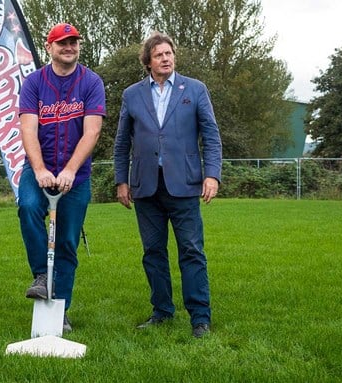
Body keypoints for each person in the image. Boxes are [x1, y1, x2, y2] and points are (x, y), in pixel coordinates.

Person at [113, 31, 222, 338]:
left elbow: (211, 136)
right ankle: (162, 311)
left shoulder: (196, 89)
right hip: (145, 187)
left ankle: (200, 317)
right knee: (153, 252)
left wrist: (211, 174)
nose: (166, 58)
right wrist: (122, 180)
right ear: (148, 61)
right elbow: (122, 143)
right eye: (159, 54)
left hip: (185, 185)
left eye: (169, 53)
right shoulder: (131, 95)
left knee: (191, 250)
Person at [18, 23, 106, 333]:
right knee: (28, 206)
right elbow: (28, 129)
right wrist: (40, 170)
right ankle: (42, 275)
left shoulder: (91, 82)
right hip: (39, 168)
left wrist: (70, 170)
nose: (69, 47)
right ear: (49, 47)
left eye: (73, 42)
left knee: (67, 242)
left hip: (76, 176)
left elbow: (92, 130)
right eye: (62, 43)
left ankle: (61, 310)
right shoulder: (33, 83)